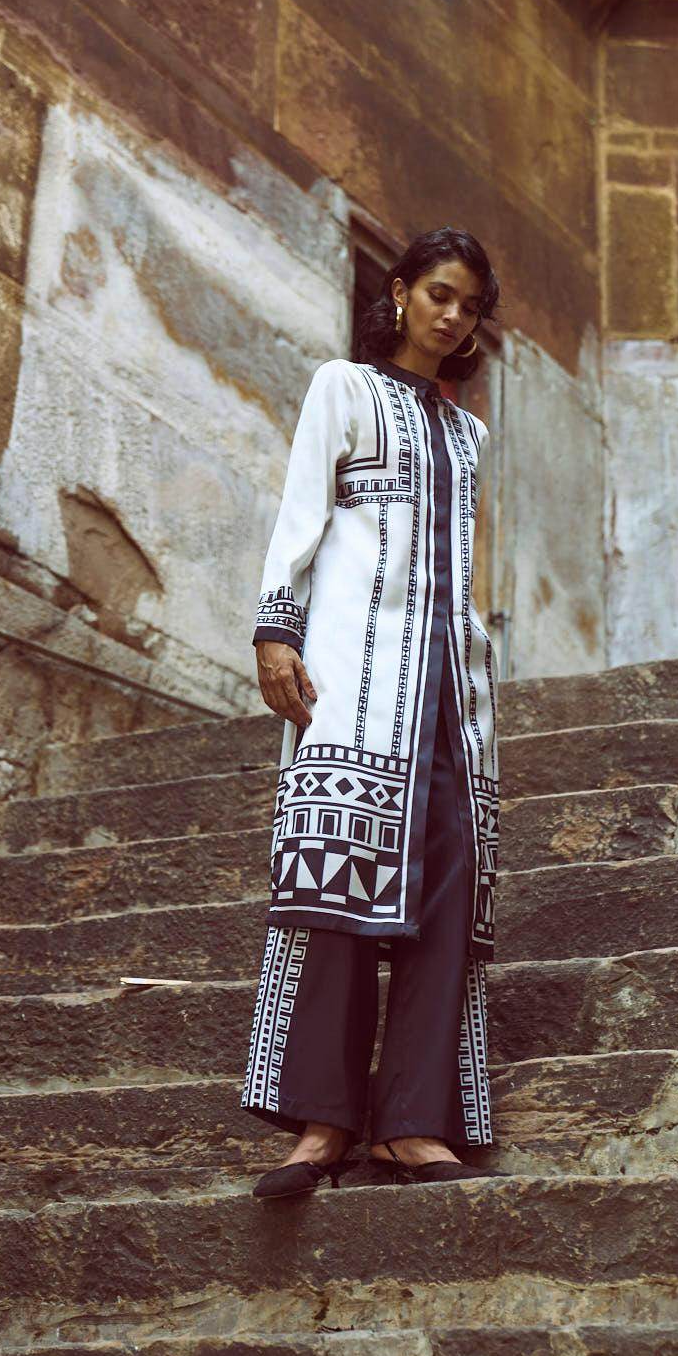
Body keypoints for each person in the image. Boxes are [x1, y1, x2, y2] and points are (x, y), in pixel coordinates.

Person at [240, 226, 504, 1197]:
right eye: (439, 293)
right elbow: (300, 514)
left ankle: (410, 1124)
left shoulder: (468, 436)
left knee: (447, 891)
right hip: (352, 682)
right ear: (398, 291)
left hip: (448, 697)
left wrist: (476, 673)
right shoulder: (342, 389)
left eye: (469, 306)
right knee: (334, 882)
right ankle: (323, 1125)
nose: (452, 315)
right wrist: (276, 629)